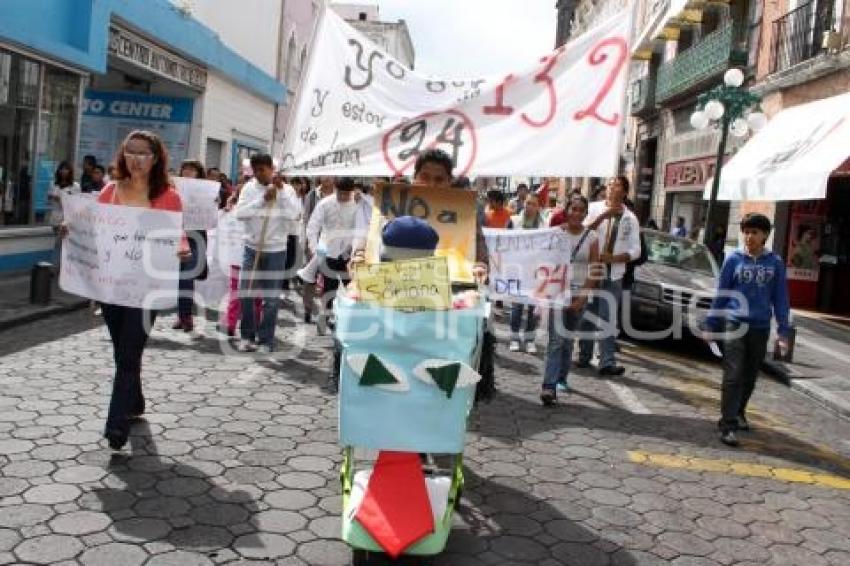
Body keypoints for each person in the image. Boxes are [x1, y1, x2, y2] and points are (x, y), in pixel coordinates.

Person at [62, 130, 188, 450]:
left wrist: (181, 248)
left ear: (156, 157)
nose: (136, 159)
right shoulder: (110, 191)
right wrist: (71, 229)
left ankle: (116, 426)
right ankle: (135, 400)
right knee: (124, 353)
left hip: (147, 289)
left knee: (129, 353)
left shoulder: (168, 196)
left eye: (143, 153)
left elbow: (178, 235)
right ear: (123, 155)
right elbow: (93, 229)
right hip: (112, 288)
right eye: (130, 152)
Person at [705, 213, 791, 447]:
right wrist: (711, 325)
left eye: (755, 232)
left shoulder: (775, 263)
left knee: (750, 376)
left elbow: (781, 299)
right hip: (734, 323)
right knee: (733, 374)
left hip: (760, 326)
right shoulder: (733, 260)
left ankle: (739, 411)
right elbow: (721, 295)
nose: (749, 237)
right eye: (746, 232)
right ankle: (728, 425)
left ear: (765, 235)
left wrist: (783, 331)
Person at [235, 154, 302, 353]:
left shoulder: (287, 190)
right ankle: (247, 336)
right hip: (252, 247)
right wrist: (261, 201)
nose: (258, 174)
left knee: (271, 299)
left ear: (271, 169)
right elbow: (240, 214)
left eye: (263, 170)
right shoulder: (249, 188)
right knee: (245, 293)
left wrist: (279, 195)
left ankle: (266, 340)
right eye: (255, 170)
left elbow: (294, 217)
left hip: (276, 250)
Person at [577, 176, 641, 376]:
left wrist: (615, 258)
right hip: (592, 272)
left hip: (613, 275)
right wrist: (605, 216)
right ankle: (584, 356)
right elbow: (583, 231)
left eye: (617, 186)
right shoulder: (595, 208)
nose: (612, 188)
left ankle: (606, 361)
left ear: (624, 191)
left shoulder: (630, 218)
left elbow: (636, 249)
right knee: (588, 315)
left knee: (607, 318)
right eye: (610, 185)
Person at [542, 195, 600, 405]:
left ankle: (561, 379)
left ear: (585, 213)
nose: (576, 213)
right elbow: (545, 262)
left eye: (581, 210)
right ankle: (548, 387)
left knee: (567, 341)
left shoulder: (592, 237)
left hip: (579, 295)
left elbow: (595, 270)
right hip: (558, 294)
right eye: (573, 208)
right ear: (567, 210)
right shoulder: (557, 234)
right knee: (556, 341)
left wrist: (582, 298)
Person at [306, 177, 368, 331]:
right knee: (329, 290)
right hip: (329, 252)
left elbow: (370, 218)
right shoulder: (325, 203)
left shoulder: (359, 203)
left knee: (353, 289)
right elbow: (313, 226)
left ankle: (351, 322)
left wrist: (364, 199)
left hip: (349, 253)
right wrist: (314, 249)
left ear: (352, 191)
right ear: (335, 189)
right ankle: (324, 320)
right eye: (340, 193)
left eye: (347, 194)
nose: (343, 197)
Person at [173, 159, 209, 333]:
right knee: (178, 279)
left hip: (195, 237)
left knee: (186, 277)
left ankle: (186, 316)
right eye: (185, 168)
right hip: (175, 235)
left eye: (191, 169)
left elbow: (211, 215)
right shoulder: (174, 188)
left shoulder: (206, 190)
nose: (187, 172)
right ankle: (182, 314)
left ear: (198, 172)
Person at [507, 193, 544, 353]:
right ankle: (514, 338)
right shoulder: (514, 221)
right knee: (517, 306)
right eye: (527, 203)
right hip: (518, 269)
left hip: (536, 272)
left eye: (533, 204)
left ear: (538, 207)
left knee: (533, 308)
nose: (529, 206)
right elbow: (505, 242)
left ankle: (530, 339)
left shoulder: (545, 226)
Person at [297, 176, 338, 324]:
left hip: (333, 244)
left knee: (329, 279)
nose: (327, 179)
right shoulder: (312, 195)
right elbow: (306, 218)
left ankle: (326, 311)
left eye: (330, 176)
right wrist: (309, 243)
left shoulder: (339, 195)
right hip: (315, 243)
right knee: (311, 276)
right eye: (325, 176)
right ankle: (307, 308)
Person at [47, 161, 81, 270]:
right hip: (56, 217)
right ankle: (62, 267)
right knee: (61, 244)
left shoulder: (75, 186)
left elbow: (76, 203)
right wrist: (52, 197)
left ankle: (54, 267)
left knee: (59, 243)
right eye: (62, 169)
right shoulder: (54, 184)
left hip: (68, 219)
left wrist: (61, 199)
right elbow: (49, 199)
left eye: (66, 169)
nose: (63, 171)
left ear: (70, 171)